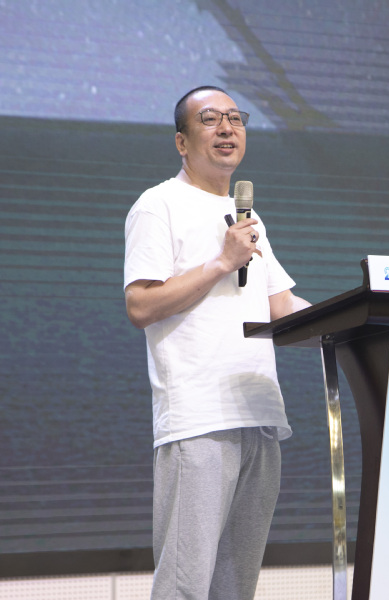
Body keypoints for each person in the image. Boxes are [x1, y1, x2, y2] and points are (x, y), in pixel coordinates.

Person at [123, 85, 310, 600]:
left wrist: (364, 323)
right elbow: (140, 305)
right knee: (185, 587)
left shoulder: (248, 218)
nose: (227, 128)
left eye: (236, 118)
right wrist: (221, 263)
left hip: (259, 416)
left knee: (234, 588)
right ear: (182, 142)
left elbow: (282, 305)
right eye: (210, 119)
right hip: (199, 420)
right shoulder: (157, 205)